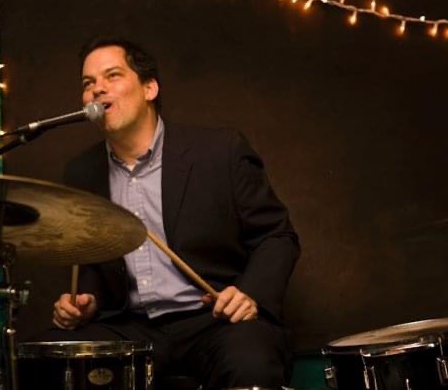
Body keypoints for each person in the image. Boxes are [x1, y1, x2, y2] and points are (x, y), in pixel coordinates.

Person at [49, 35, 300, 389]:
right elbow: (91, 262)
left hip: (212, 320)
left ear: (149, 88)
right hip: (130, 325)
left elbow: (278, 235)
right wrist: (85, 303)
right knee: (50, 359)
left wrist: (250, 293)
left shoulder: (220, 151)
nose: (96, 90)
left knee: (252, 360)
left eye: (112, 76)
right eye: (88, 83)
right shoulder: (81, 173)